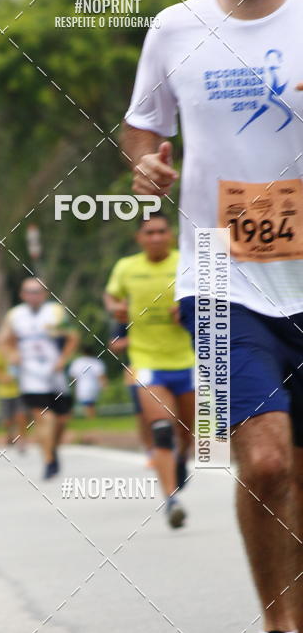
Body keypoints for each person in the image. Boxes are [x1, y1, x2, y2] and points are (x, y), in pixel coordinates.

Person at [121, 0, 303, 633]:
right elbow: (141, 129)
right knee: (266, 462)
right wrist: (148, 166)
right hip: (222, 277)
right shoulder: (175, 30)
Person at [105, 213, 195, 528]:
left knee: (187, 432)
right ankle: (171, 501)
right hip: (146, 361)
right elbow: (112, 296)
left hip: (188, 360)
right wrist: (114, 308)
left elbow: (215, 295)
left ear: (170, 235)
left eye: (161, 231)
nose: (155, 237)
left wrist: (189, 307)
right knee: (161, 428)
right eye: (149, 232)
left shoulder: (187, 261)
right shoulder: (127, 267)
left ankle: (182, 458)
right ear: (139, 239)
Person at [0, 278, 78, 479]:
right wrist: (11, 356)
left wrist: (64, 358)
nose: (33, 296)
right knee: (45, 418)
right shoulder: (15, 315)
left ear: (45, 294)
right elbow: (3, 341)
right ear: (22, 294)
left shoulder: (56, 312)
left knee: (61, 420)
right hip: (30, 374)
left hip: (55, 372)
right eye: (29, 292)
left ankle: (52, 449)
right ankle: (49, 460)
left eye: (37, 291)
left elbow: (72, 337)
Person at [108, 324, 154, 463]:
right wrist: (137, 339)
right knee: (142, 413)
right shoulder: (126, 315)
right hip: (136, 368)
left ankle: (173, 445)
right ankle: (150, 449)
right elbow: (114, 345)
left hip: (168, 364)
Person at [0, 345, 27, 450]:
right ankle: (10, 433)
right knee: (6, 420)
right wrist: (2, 378)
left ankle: (21, 439)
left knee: (21, 415)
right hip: (4, 391)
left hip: (21, 390)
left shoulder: (23, 348)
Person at [68, 347, 108, 418]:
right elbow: (101, 375)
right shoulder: (96, 362)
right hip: (94, 386)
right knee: (90, 404)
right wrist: (104, 386)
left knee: (87, 404)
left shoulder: (78, 362)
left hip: (81, 386)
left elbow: (73, 376)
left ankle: (90, 418)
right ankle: (91, 418)